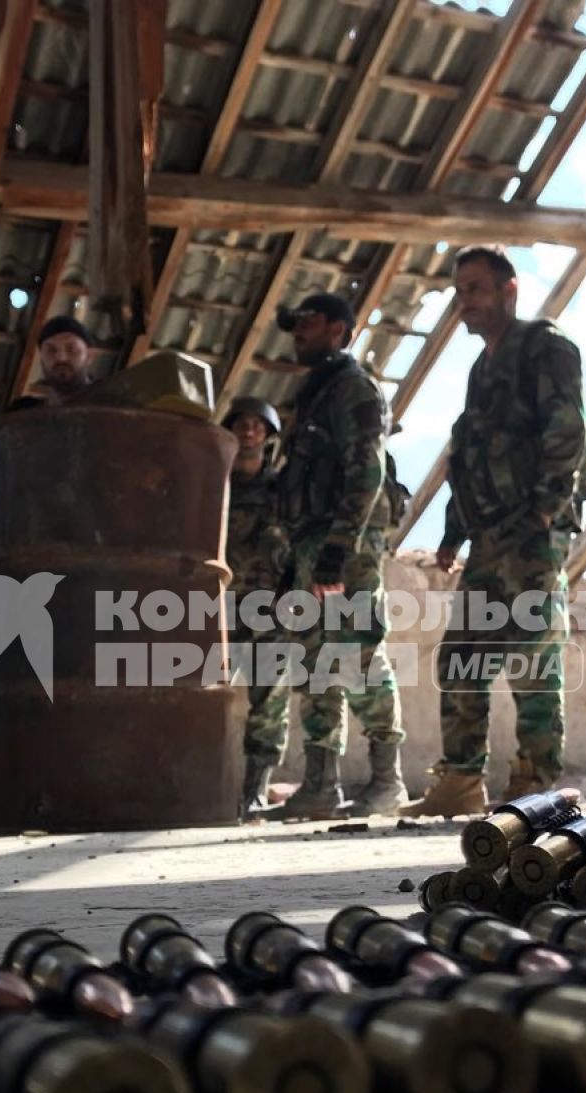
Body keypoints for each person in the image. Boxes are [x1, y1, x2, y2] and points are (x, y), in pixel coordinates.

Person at [403, 247, 586, 818]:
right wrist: (453, 534)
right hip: (489, 538)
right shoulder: (481, 371)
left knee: (533, 659)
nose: (466, 303)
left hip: (533, 533)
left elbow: (569, 429)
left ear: (510, 290)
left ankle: (537, 784)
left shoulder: (546, 347)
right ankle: (460, 780)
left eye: (477, 290)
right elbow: (472, 457)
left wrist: (544, 511)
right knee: (461, 656)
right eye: (460, 292)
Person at [269, 293, 407, 819]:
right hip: (312, 545)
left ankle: (386, 781)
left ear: (340, 330)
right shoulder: (314, 394)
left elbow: (367, 471)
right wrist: (296, 559)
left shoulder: (354, 388)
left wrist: (338, 550)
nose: (298, 332)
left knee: (358, 655)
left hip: (343, 547)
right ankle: (320, 786)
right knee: (314, 663)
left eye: (307, 322)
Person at [222, 396, 292, 818]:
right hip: (220, 611)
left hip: (270, 608)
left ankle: (256, 790)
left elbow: (299, 546)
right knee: (200, 697)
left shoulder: (283, 491)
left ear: (267, 435)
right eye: (240, 424)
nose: (248, 431)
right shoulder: (213, 488)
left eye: (256, 425)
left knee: (269, 702)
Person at [8, 315, 96, 410]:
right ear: (41, 358)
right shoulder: (22, 412)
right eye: (51, 350)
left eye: (72, 349)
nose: (61, 358)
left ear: (89, 356)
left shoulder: (109, 407)